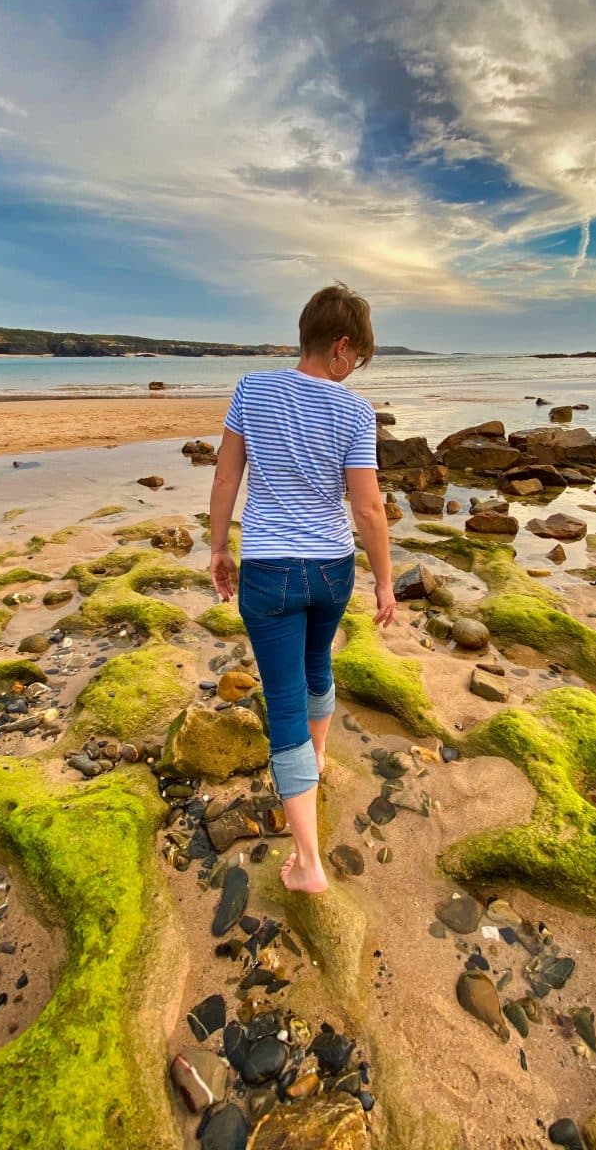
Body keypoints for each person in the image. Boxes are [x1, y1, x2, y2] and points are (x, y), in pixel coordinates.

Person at [208, 282, 396, 894]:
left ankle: (309, 862)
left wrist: (218, 547)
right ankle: (314, 760)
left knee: (285, 702)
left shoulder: (251, 390)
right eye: (356, 358)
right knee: (318, 665)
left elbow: (227, 475)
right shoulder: (355, 412)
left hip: (270, 569)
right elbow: (368, 510)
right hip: (332, 568)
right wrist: (386, 584)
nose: (353, 372)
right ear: (341, 346)